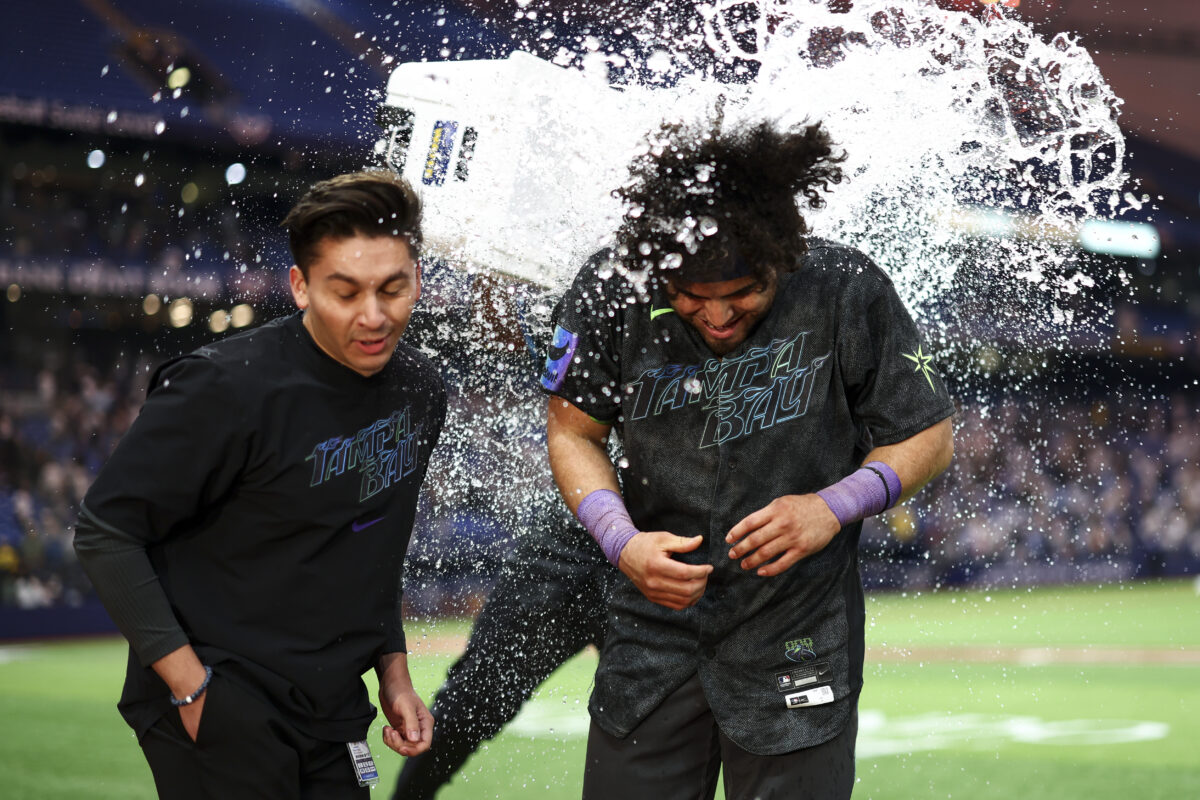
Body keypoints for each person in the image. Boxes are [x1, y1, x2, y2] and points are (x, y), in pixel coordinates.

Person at [542, 119, 956, 799]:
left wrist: (832, 506)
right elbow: (572, 433)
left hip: (798, 631)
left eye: (741, 294)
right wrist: (621, 542)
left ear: (782, 258)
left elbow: (929, 436)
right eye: (690, 296)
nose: (716, 316)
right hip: (651, 639)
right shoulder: (613, 286)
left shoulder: (844, 287)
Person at [73, 170, 446, 799]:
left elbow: (373, 550)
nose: (374, 316)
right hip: (224, 696)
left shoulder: (421, 391)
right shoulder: (223, 387)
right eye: (346, 292)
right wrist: (192, 689)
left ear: (417, 279)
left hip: (334, 706)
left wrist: (394, 674)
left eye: (393, 288)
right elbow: (105, 532)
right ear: (300, 286)